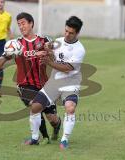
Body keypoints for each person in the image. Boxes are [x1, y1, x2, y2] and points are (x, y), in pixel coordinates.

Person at [0, 12, 61, 144]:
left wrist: (49, 55)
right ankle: (42, 137)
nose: (21, 26)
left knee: (52, 118)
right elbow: (1, 60)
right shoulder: (15, 44)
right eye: (19, 24)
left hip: (45, 84)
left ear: (31, 23)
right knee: (35, 107)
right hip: (25, 84)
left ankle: (57, 126)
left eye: (23, 23)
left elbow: (55, 59)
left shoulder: (45, 41)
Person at [24, 16, 85, 149]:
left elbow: (68, 68)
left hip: (71, 81)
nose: (67, 35)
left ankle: (64, 140)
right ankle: (34, 138)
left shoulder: (79, 49)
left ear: (77, 33)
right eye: (66, 31)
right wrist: (46, 50)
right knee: (35, 107)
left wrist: (49, 62)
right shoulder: (58, 41)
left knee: (70, 108)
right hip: (55, 81)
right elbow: (50, 51)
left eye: (71, 33)